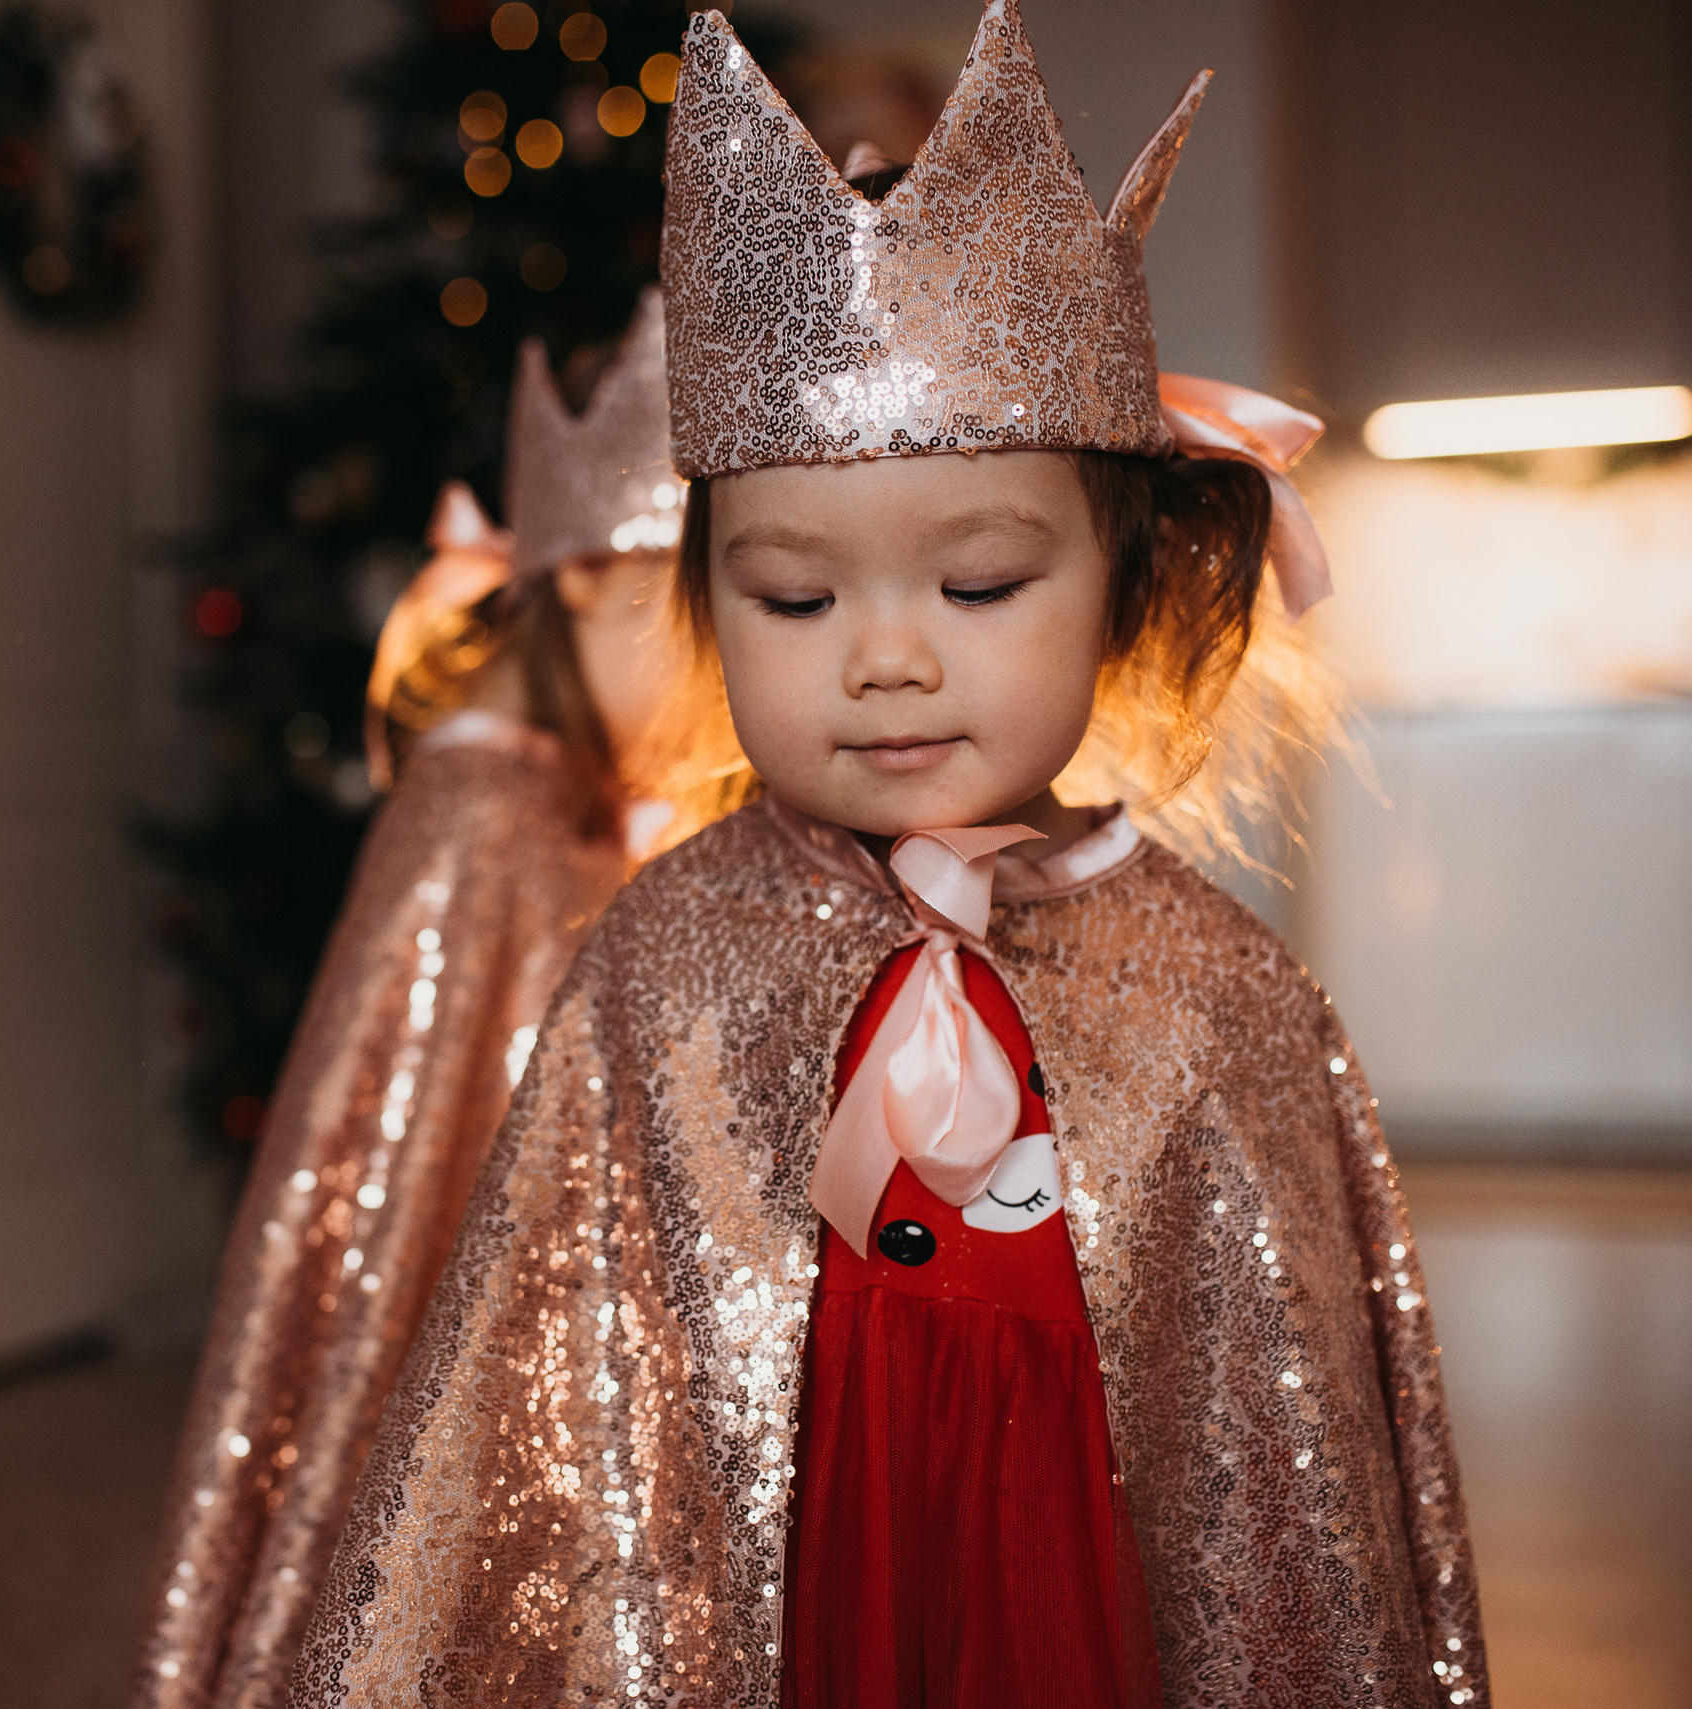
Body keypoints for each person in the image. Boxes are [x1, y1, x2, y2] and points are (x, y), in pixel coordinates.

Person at [287, 6, 1485, 1708]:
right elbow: (557, 1483)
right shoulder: (659, 967)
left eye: (978, 584)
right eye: (795, 598)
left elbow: (1295, 1528)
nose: (887, 657)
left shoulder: (1227, 1000)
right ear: (708, 606)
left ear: (1127, 583)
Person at [134, 292, 734, 1709]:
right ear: (585, 578)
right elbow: (449, 1189)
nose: (724, 698)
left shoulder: (550, 804)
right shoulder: (484, 821)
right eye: (698, 625)